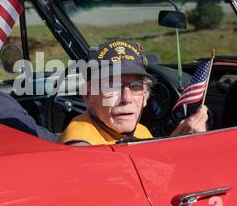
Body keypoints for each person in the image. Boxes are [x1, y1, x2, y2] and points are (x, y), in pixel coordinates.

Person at [58, 38, 208, 145]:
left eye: (136, 86)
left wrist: (175, 140)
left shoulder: (140, 131)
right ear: (88, 96)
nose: (127, 98)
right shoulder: (81, 144)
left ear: (145, 97)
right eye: (112, 87)